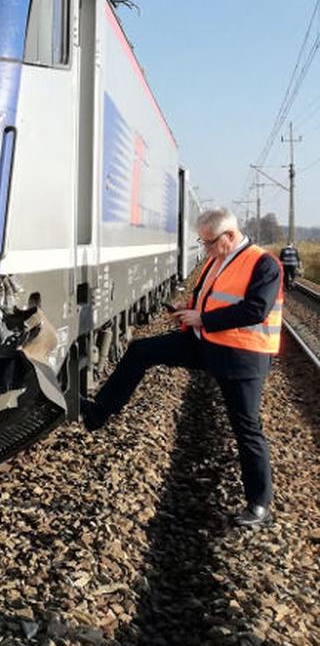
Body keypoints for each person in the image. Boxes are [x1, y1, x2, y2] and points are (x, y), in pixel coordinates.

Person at [81, 208, 282, 527]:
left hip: (243, 357)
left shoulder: (264, 263)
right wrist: (187, 310)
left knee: (246, 428)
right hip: (206, 343)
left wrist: (203, 319)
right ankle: (98, 413)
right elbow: (208, 300)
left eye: (208, 242)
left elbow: (256, 310)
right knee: (141, 351)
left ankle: (259, 505)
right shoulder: (218, 259)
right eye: (202, 243)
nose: (205, 249)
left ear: (229, 236)